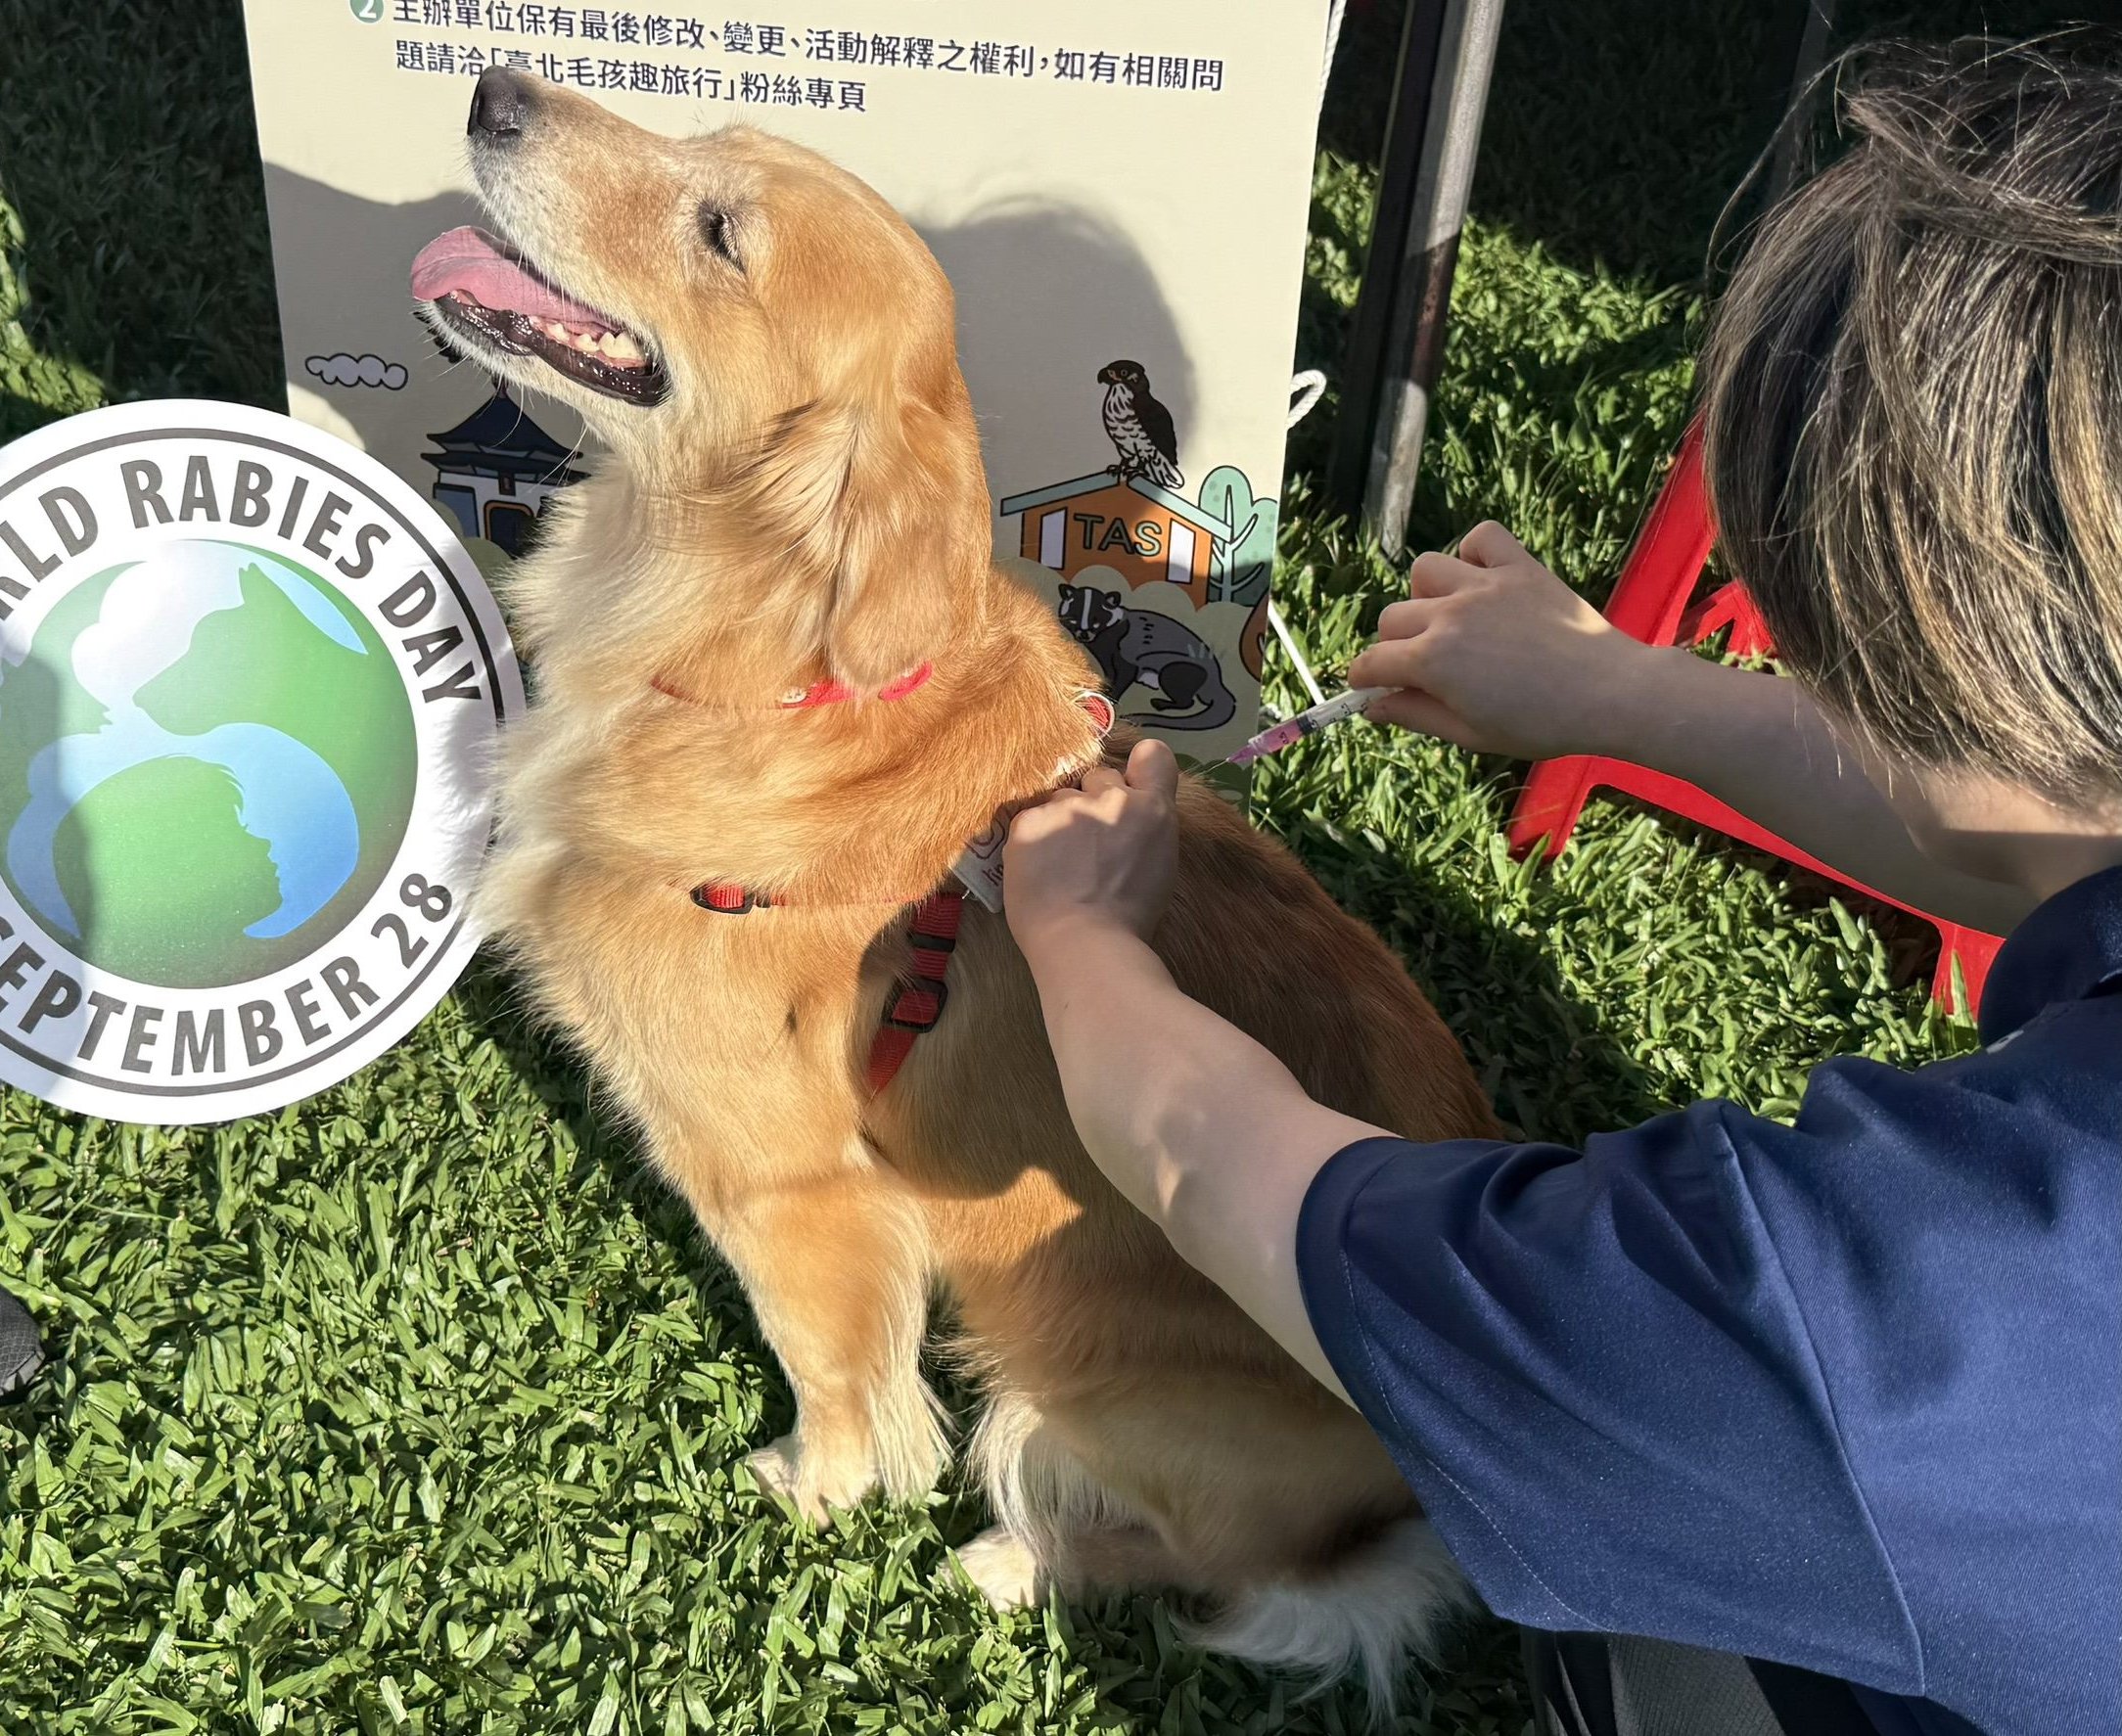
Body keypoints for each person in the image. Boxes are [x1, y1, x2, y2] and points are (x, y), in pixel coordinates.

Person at [1001, 36, 2119, 1736]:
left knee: (1624, 1643)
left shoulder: (1870, 1329)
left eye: (1825, 663)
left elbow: (1220, 1169)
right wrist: (1616, 688)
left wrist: (1080, 936)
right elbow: (2046, 809)